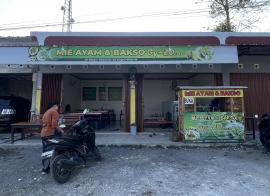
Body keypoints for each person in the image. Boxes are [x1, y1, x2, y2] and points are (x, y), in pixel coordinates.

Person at [41, 101, 64, 173]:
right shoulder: (54, 112)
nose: (58, 108)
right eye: (57, 106)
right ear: (54, 105)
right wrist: (61, 130)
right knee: (55, 149)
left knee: (46, 151)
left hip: (44, 134)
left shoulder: (46, 112)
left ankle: (45, 168)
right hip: (51, 134)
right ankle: (56, 166)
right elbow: (54, 125)